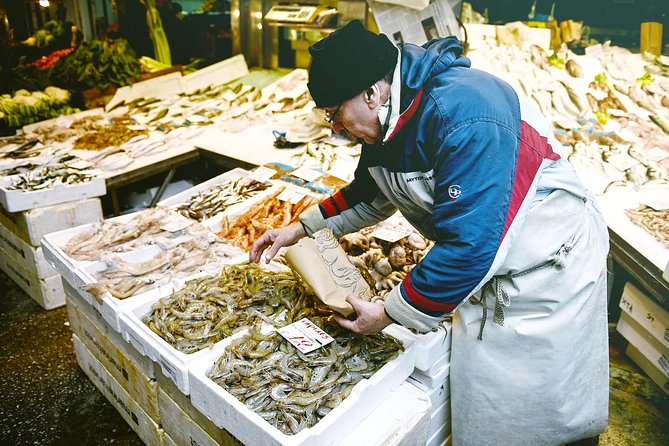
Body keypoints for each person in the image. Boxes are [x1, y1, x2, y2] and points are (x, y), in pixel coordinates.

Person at [250, 20, 609, 446]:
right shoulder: (389, 119)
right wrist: (299, 229)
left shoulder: (467, 113)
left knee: (550, 411)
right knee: (495, 409)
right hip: (490, 268)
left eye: (334, 114)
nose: (334, 128)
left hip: (548, 269)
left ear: (370, 92)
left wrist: (386, 313)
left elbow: (469, 247)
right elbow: (369, 194)